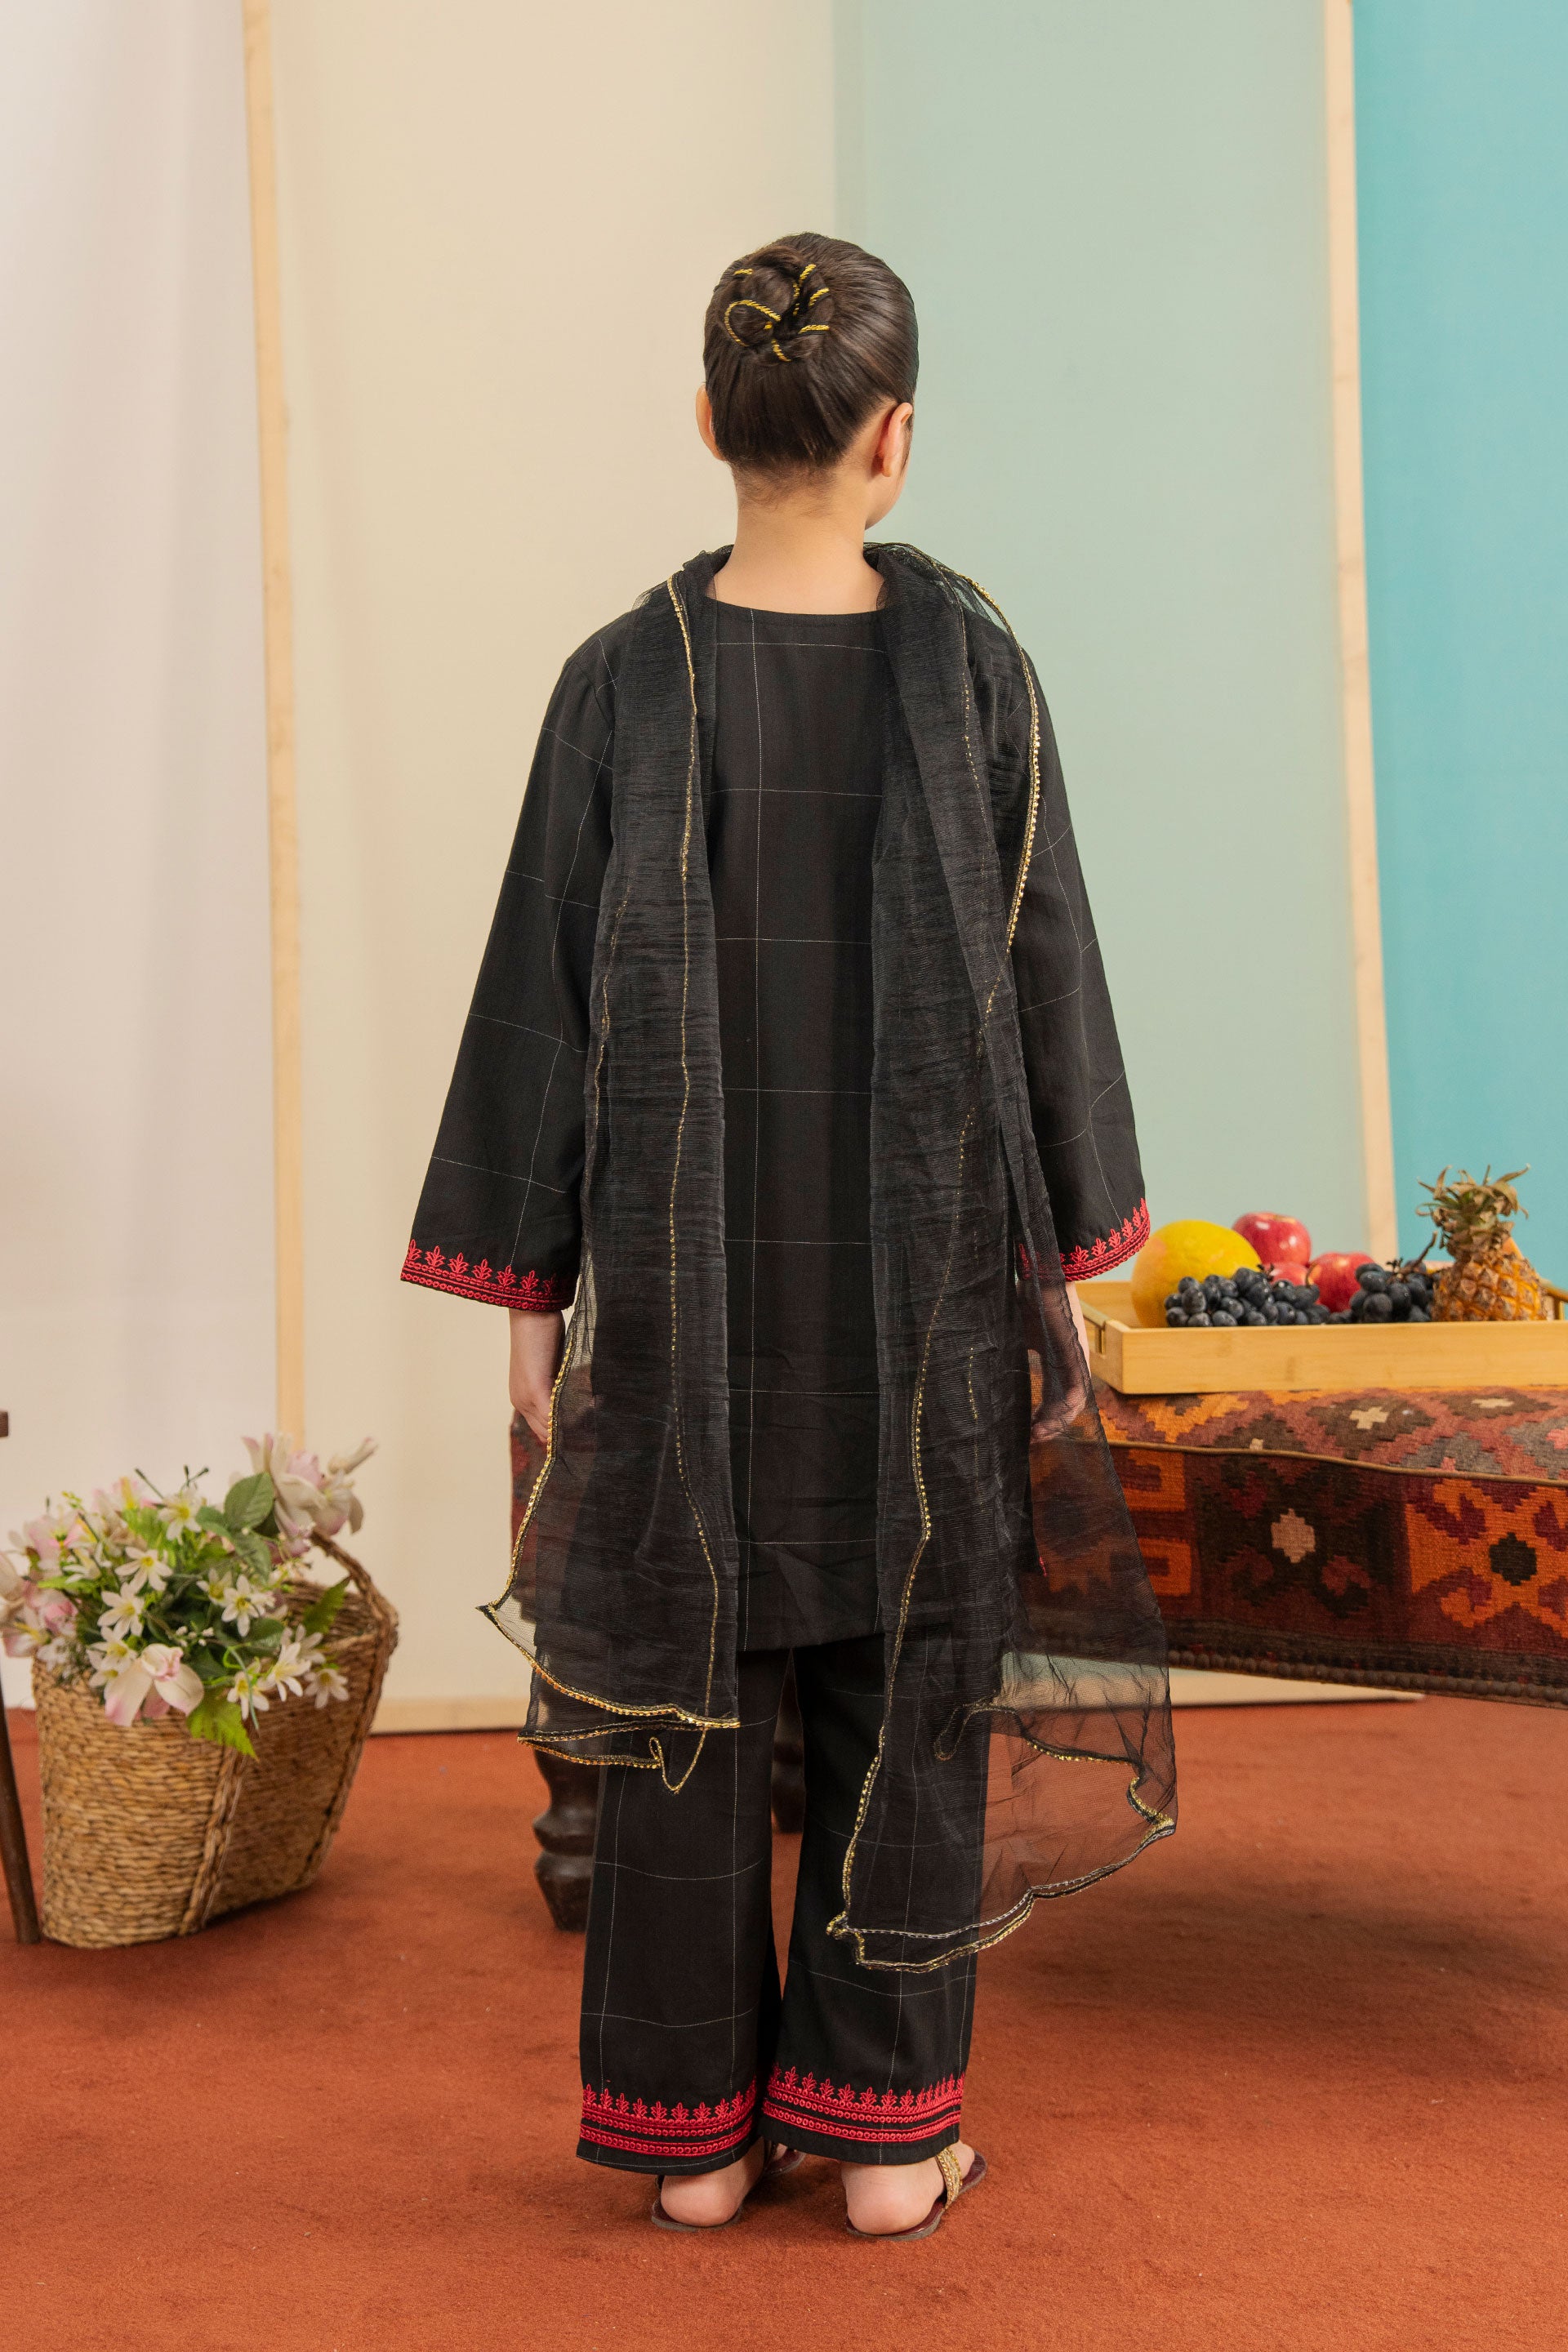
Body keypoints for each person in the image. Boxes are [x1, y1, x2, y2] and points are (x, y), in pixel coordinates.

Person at [404, 233, 1175, 2239]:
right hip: (926, 1284)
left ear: (705, 421)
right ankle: (888, 2131)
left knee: (688, 1682)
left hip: (686, 1288)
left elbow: (539, 990)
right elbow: (1051, 965)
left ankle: (694, 2139)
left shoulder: (619, 680)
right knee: (912, 1672)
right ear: (894, 439)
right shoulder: (977, 672)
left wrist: (529, 1292)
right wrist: (1077, 1255)